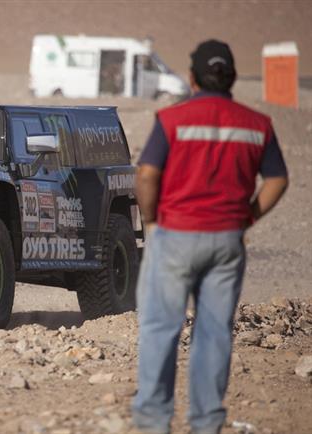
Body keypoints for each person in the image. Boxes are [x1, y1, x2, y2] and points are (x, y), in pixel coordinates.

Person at [132, 40, 289, 434]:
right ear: (233, 77)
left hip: (175, 236)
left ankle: (153, 422)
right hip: (227, 240)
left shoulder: (173, 120)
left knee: (160, 328)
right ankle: (206, 422)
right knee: (214, 332)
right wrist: (247, 217)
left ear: (191, 77)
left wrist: (151, 220)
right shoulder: (257, 124)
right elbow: (278, 180)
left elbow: (147, 174)